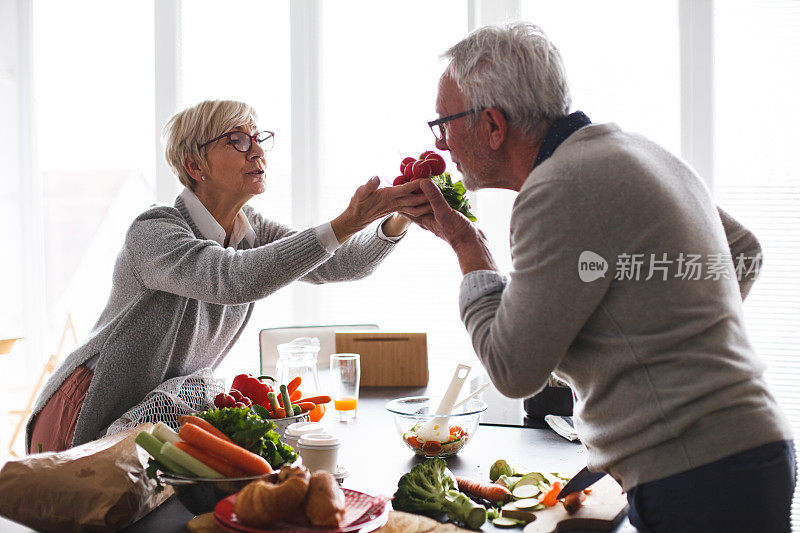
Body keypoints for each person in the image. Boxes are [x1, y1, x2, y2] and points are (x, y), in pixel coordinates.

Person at [409, 23, 795, 532]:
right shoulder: (638, 151)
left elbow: (512, 370)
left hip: (694, 471)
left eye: (444, 123)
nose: (441, 142)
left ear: (494, 126)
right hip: (749, 446)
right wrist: (663, 345)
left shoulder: (556, 188)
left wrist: (467, 246)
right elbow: (742, 253)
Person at [27, 99, 428, 453]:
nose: (257, 151)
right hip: (85, 408)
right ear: (195, 165)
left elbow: (340, 263)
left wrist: (396, 218)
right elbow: (231, 280)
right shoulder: (154, 230)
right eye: (237, 140)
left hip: (147, 419)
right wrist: (345, 222)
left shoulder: (249, 228)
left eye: (258, 138)